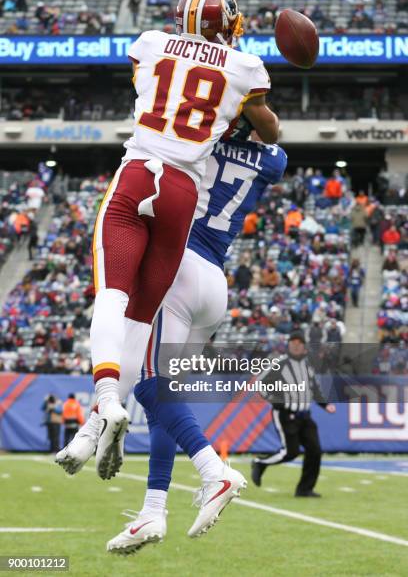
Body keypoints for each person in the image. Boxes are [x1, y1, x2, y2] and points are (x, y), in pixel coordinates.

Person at [56, 134, 287, 550]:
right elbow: (267, 139)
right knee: (164, 392)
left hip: (179, 266)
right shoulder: (274, 160)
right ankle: (152, 510)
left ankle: (213, 470)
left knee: (148, 384)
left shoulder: (207, 137)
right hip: (215, 279)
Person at [89, 0, 280, 485]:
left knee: (122, 320)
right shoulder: (264, 137)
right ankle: (161, 500)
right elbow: (268, 130)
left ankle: (104, 418)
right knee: (164, 381)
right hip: (208, 261)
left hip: (154, 193)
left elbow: (168, 93)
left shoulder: (152, 43)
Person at [251, 331, 336, 497]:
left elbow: (314, 388)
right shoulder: (280, 362)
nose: (296, 346)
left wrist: (325, 405)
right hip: (285, 415)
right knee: (291, 452)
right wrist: (276, 401)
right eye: (293, 343)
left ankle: (305, 489)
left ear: (304, 346)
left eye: (299, 343)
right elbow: (260, 383)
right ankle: (260, 463)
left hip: (305, 415)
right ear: (289, 345)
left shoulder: (307, 365)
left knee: (315, 451)